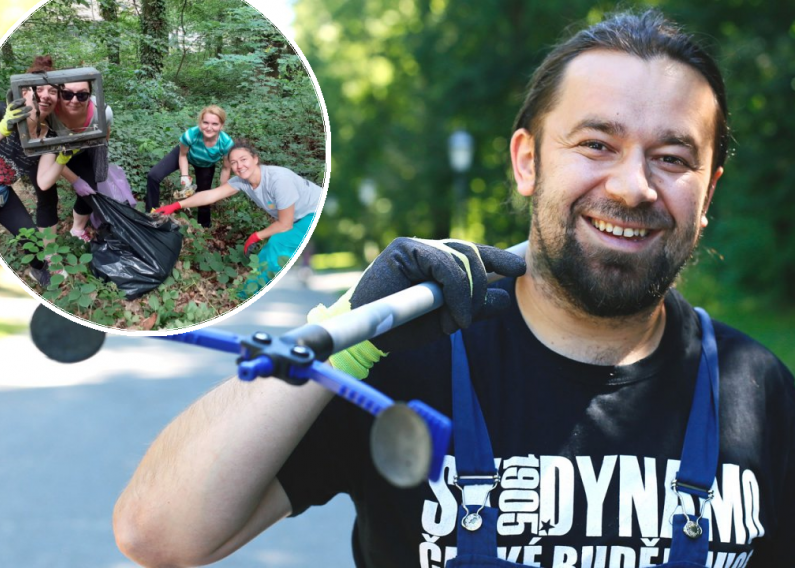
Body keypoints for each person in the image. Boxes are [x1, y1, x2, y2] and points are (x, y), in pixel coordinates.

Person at [112, 10, 795, 568]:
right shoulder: (403, 359)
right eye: (596, 144)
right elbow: (158, 535)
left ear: (707, 193)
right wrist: (348, 330)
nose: (632, 186)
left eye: (672, 158)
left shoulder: (755, 390)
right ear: (528, 161)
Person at [152, 139, 322, 296]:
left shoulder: (278, 180)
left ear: (255, 159)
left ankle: (247, 296)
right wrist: (176, 206)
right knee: (269, 253)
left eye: (243, 159)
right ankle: (253, 291)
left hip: (315, 212)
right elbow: (211, 195)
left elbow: (285, 224)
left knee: (277, 245)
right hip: (298, 218)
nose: (239, 166)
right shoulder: (241, 181)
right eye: (234, 163)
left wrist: (256, 236)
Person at [0, 56, 63, 288]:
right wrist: (3, 128)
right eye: (39, 89)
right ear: (24, 92)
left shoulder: (48, 136)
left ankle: (37, 271)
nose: (46, 95)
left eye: (52, 91)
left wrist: (63, 158)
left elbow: (44, 183)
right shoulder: (0, 112)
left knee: (33, 239)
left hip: (1, 194)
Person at [36, 75, 114, 241]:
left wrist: (96, 162)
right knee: (47, 198)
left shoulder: (102, 112)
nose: (74, 100)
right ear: (59, 94)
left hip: (81, 150)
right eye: (67, 94)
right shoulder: (49, 112)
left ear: (89, 95)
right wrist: (74, 180)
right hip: (53, 152)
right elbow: (44, 150)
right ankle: (49, 249)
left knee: (90, 188)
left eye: (82, 95)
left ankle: (77, 229)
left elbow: (104, 136)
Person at [144, 105, 234, 228]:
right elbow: (182, 155)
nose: (209, 127)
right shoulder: (190, 135)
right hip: (185, 155)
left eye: (214, 124)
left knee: (204, 194)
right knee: (153, 176)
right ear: (200, 122)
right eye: (205, 122)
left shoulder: (226, 143)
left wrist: (223, 189)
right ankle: (151, 214)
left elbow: (226, 168)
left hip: (205, 164)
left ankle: (204, 226)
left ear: (221, 126)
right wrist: (185, 176)